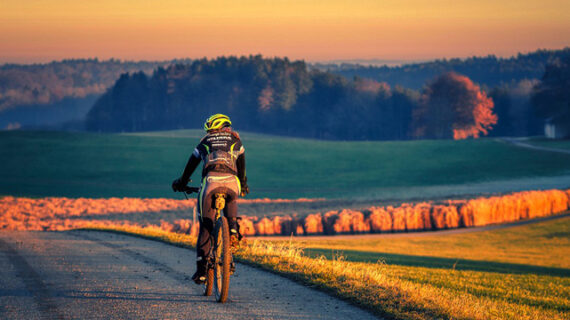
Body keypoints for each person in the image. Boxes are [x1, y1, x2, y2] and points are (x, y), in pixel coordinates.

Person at [172, 113, 249, 284]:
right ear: (226, 127)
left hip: (210, 183)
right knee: (232, 198)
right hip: (232, 183)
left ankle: (201, 272)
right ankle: (234, 230)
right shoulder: (236, 140)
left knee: (206, 227)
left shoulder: (205, 142)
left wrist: (182, 182)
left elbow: (190, 166)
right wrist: (243, 185)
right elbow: (242, 166)